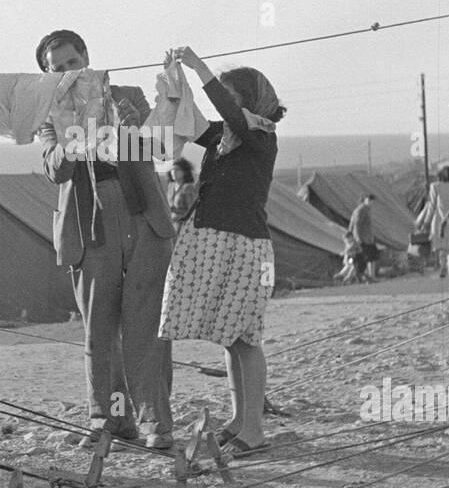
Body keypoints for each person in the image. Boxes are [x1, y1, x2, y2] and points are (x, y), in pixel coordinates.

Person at [35, 29, 176, 449]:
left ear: (87, 57)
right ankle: (111, 422)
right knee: (100, 331)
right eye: (56, 69)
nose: (66, 73)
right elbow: (53, 169)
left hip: (143, 217)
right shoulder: (48, 113)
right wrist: (72, 142)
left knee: (147, 326)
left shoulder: (126, 91)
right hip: (87, 223)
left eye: (71, 63)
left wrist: (131, 126)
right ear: (47, 75)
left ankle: (157, 425)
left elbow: (159, 147)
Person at [157, 45, 284, 454]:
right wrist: (175, 82)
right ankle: (240, 420)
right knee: (231, 339)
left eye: (233, 96)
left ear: (248, 100)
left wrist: (198, 68)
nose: (228, 103)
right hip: (220, 239)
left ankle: (255, 430)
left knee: (245, 339)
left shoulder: (261, 135)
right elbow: (192, 124)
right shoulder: (227, 137)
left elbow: (226, 113)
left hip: (245, 245)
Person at [349, 193, 378, 280]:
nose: (371, 203)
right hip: (362, 239)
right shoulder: (361, 210)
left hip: (368, 238)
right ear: (364, 200)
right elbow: (356, 225)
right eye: (369, 200)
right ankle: (348, 276)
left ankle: (371, 276)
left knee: (371, 257)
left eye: (372, 201)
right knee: (364, 259)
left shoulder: (366, 209)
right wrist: (358, 238)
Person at [166, 157, 197, 225]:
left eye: (177, 169)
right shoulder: (171, 186)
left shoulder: (188, 188)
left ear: (185, 172)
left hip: (181, 224)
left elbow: (191, 211)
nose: (174, 172)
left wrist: (174, 210)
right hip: (168, 222)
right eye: (172, 169)